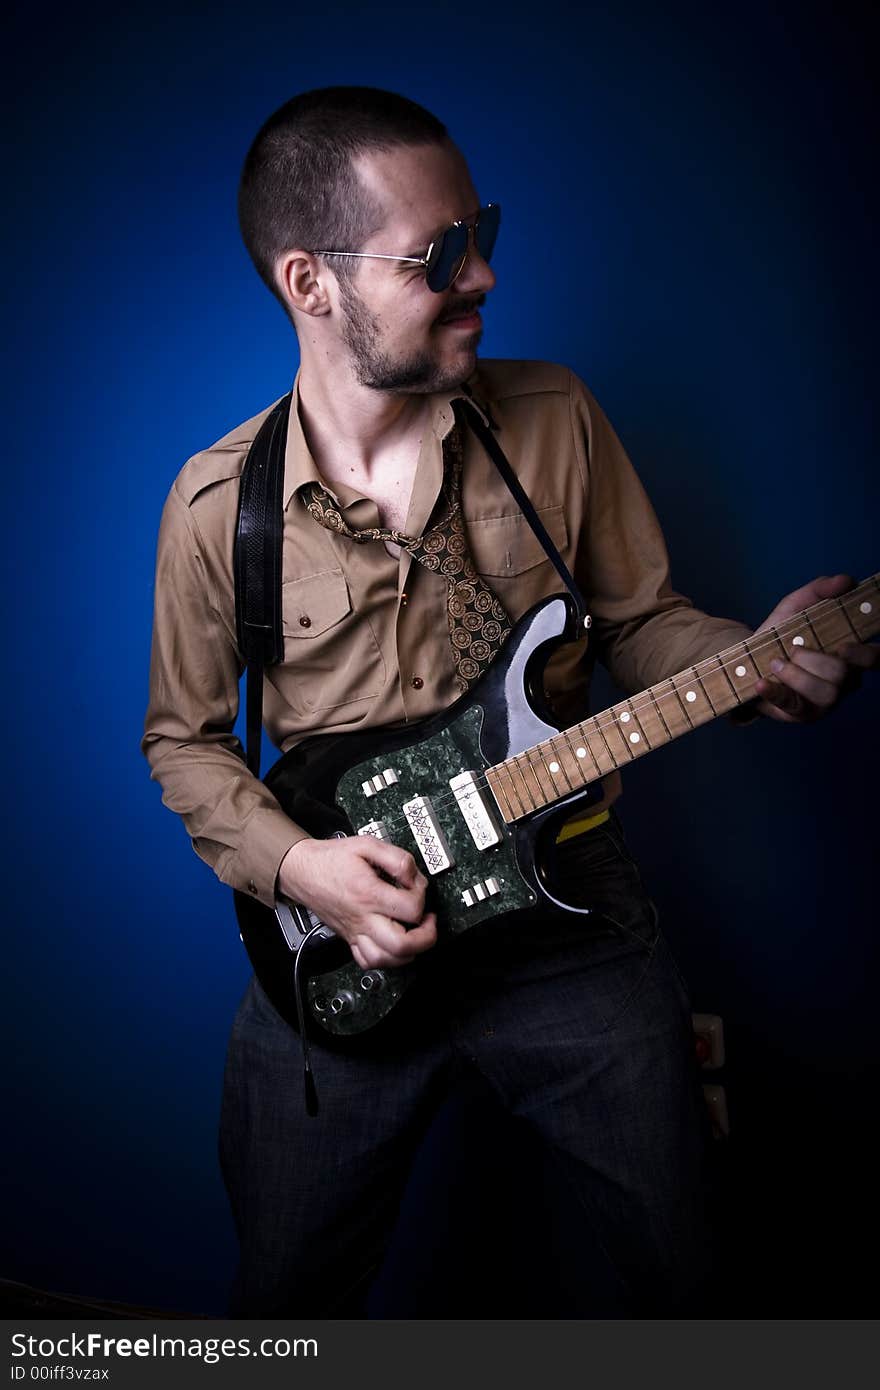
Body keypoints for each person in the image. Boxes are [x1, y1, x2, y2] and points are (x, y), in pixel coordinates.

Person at [142, 86, 875, 1317]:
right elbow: (184, 741)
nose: (480, 273)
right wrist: (297, 870)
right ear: (310, 283)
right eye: (438, 255)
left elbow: (638, 627)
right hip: (342, 957)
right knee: (283, 1295)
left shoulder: (553, 417)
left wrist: (755, 663)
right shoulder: (219, 507)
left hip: (571, 927)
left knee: (682, 1277)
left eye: (479, 229)